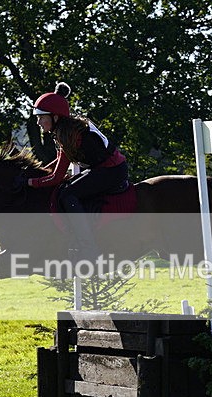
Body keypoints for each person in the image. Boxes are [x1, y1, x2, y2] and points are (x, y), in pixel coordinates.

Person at [29, 82, 129, 263]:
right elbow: (58, 164)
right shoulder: (66, 129)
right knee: (66, 188)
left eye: (41, 117)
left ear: (55, 117)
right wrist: (37, 172)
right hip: (107, 168)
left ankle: (89, 248)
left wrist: (32, 182)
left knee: (67, 194)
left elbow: (56, 177)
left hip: (111, 171)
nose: (38, 122)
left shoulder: (66, 134)